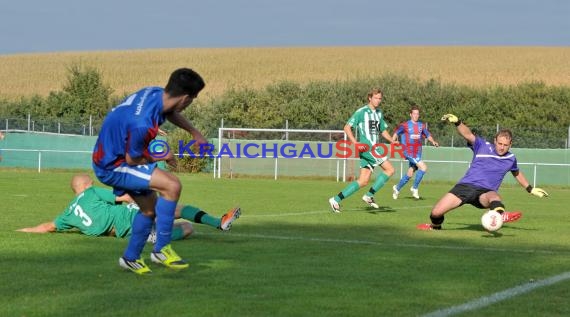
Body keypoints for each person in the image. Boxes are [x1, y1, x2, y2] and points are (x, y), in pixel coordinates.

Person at [92, 68, 218, 274]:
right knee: (172, 185)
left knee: (149, 210)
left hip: (110, 158)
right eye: (193, 98)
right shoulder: (142, 123)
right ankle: (161, 249)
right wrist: (162, 156)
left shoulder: (153, 93)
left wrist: (194, 132)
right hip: (114, 166)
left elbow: (170, 111)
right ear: (186, 98)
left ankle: (130, 258)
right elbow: (133, 159)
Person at [417, 114, 549, 231]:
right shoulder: (482, 146)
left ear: (510, 144)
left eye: (505, 145)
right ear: (495, 141)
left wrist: (530, 189)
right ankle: (435, 227)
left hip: (485, 192)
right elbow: (468, 134)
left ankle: (501, 216)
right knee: (435, 213)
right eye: (500, 143)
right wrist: (458, 122)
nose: (502, 147)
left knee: (495, 197)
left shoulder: (510, 159)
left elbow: (516, 173)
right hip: (465, 187)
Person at [17, 175, 240, 240]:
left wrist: (23, 231)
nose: (93, 183)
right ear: (85, 186)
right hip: (130, 217)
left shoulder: (67, 214)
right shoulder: (92, 192)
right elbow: (123, 197)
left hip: (126, 229)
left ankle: (157, 235)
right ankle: (217, 222)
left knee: (187, 227)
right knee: (177, 209)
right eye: (91, 182)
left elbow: (47, 226)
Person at [328, 87, 398, 212]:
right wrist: (355, 143)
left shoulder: (379, 113)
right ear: (369, 98)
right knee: (390, 170)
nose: (378, 100)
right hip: (367, 148)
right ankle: (369, 195)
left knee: (363, 181)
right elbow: (347, 127)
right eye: (375, 98)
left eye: (380, 98)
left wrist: (392, 141)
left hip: (373, 148)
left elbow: (383, 130)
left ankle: (335, 200)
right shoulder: (361, 112)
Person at [391, 105, 439, 200]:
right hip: (408, 151)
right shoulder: (405, 125)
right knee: (423, 167)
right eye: (414, 114)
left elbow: (428, 135)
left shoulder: (421, 126)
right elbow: (396, 133)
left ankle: (397, 188)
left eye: (417, 114)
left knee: (409, 173)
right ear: (410, 114)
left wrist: (433, 141)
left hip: (417, 152)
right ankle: (414, 188)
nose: (416, 115)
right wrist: (393, 142)